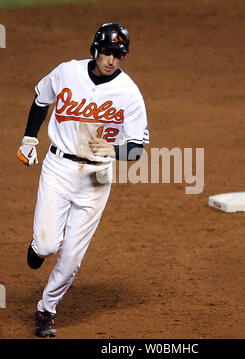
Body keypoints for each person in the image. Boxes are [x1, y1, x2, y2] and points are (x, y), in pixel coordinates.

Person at [17, 22, 149, 338]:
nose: (111, 60)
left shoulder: (129, 93)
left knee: (73, 255)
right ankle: (39, 247)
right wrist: (28, 139)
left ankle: (46, 310)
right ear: (94, 50)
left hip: (97, 177)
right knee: (48, 245)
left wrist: (113, 150)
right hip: (59, 168)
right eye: (106, 52)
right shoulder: (67, 73)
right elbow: (41, 99)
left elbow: (136, 150)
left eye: (118, 54)